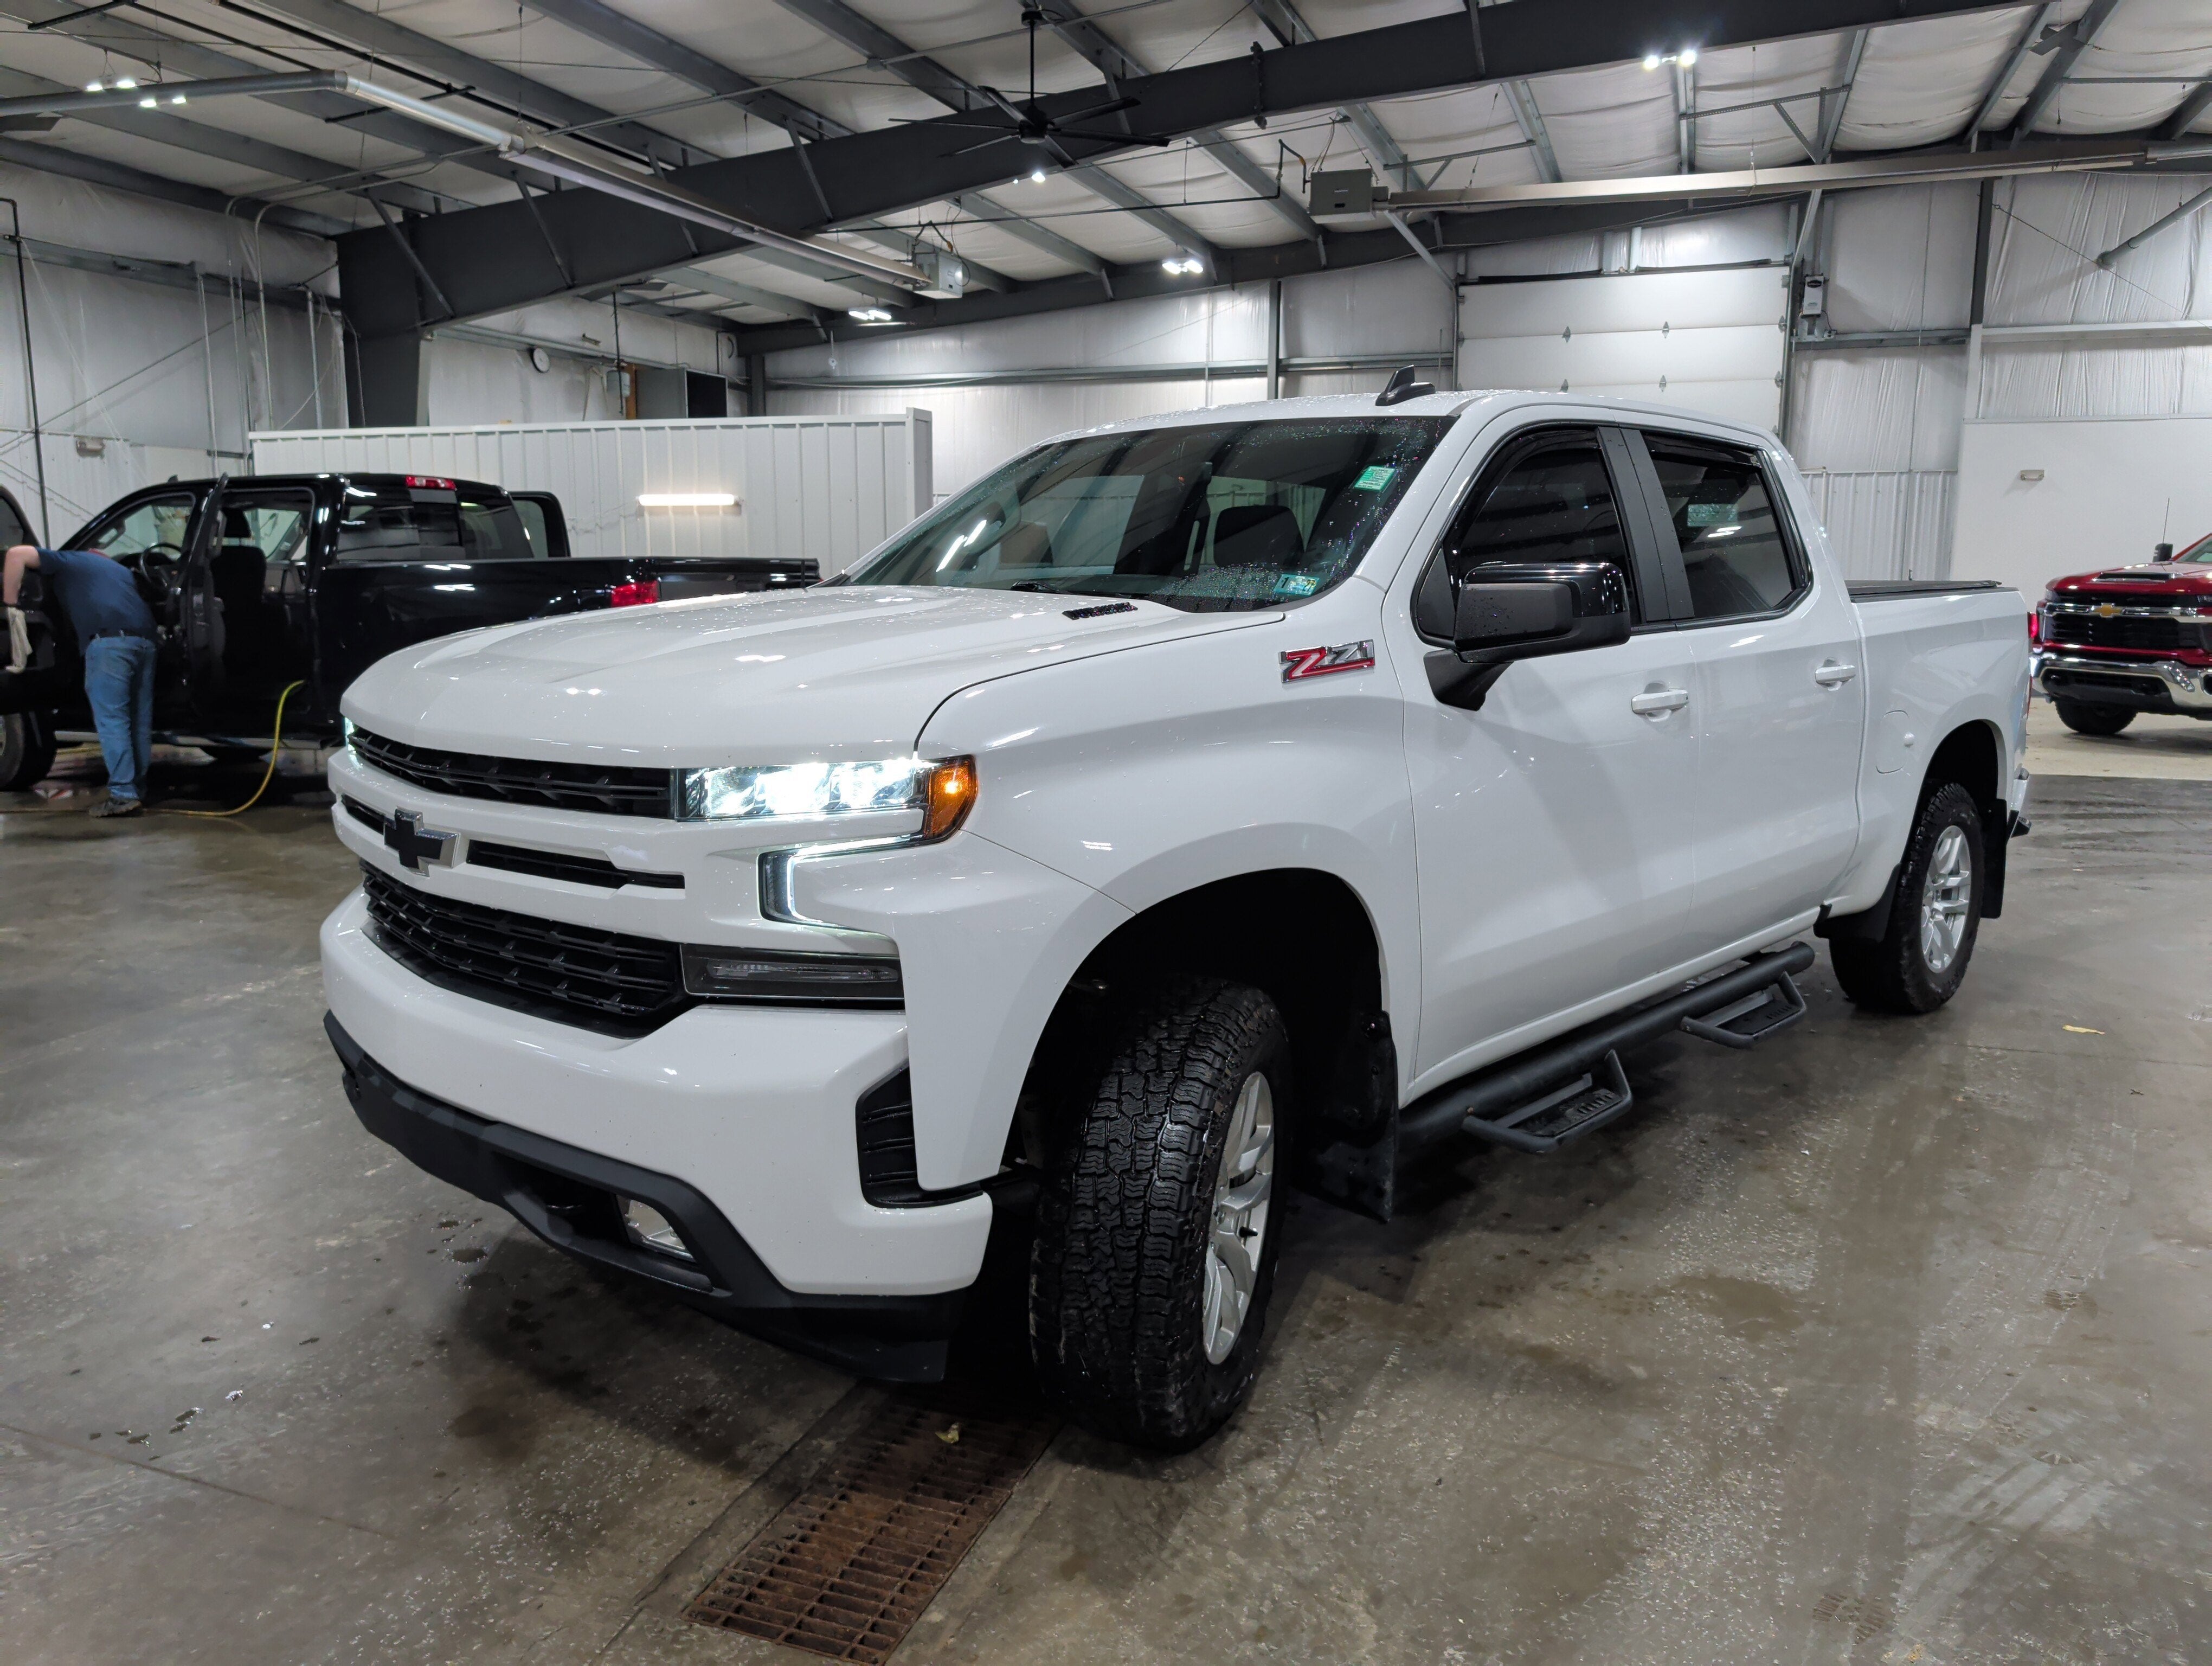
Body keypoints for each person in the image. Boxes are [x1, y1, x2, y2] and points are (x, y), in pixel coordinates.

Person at [3, 542, 160, 817]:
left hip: (109, 644)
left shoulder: (67, 560)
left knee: (113, 720)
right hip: (146, 642)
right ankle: (137, 790)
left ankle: (123, 794)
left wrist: (10, 605)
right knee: (138, 721)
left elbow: (16, 554)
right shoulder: (120, 571)